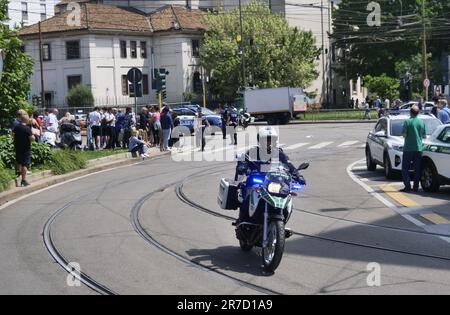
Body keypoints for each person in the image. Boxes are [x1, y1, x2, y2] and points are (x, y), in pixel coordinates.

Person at [235, 127, 305, 222]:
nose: (269, 142)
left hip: (274, 183)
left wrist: (297, 175)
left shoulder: (279, 153)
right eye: (267, 140)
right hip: (256, 182)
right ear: (260, 140)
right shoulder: (252, 152)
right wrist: (243, 167)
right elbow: (243, 161)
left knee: (287, 196)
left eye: (271, 140)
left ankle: (282, 221)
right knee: (247, 196)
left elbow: (289, 166)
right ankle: (243, 222)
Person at [401, 105, 427, 192]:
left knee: (405, 167)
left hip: (408, 148)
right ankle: (416, 187)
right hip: (419, 148)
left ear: (410, 112)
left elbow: (404, 135)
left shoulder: (407, 122)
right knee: (417, 168)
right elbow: (424, 136)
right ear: (418, 113)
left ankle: (407, 185)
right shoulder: (421, 122)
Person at [13, 111, 35, 187]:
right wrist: (33, 134)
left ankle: (18, 174)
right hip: (26, 148)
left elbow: (13, 136)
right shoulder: (27, 129)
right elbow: (32, 139)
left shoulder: (16, 127)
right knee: (25, 164)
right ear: (26, 119)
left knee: (19, 162)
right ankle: (23, 180)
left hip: (18, 147)